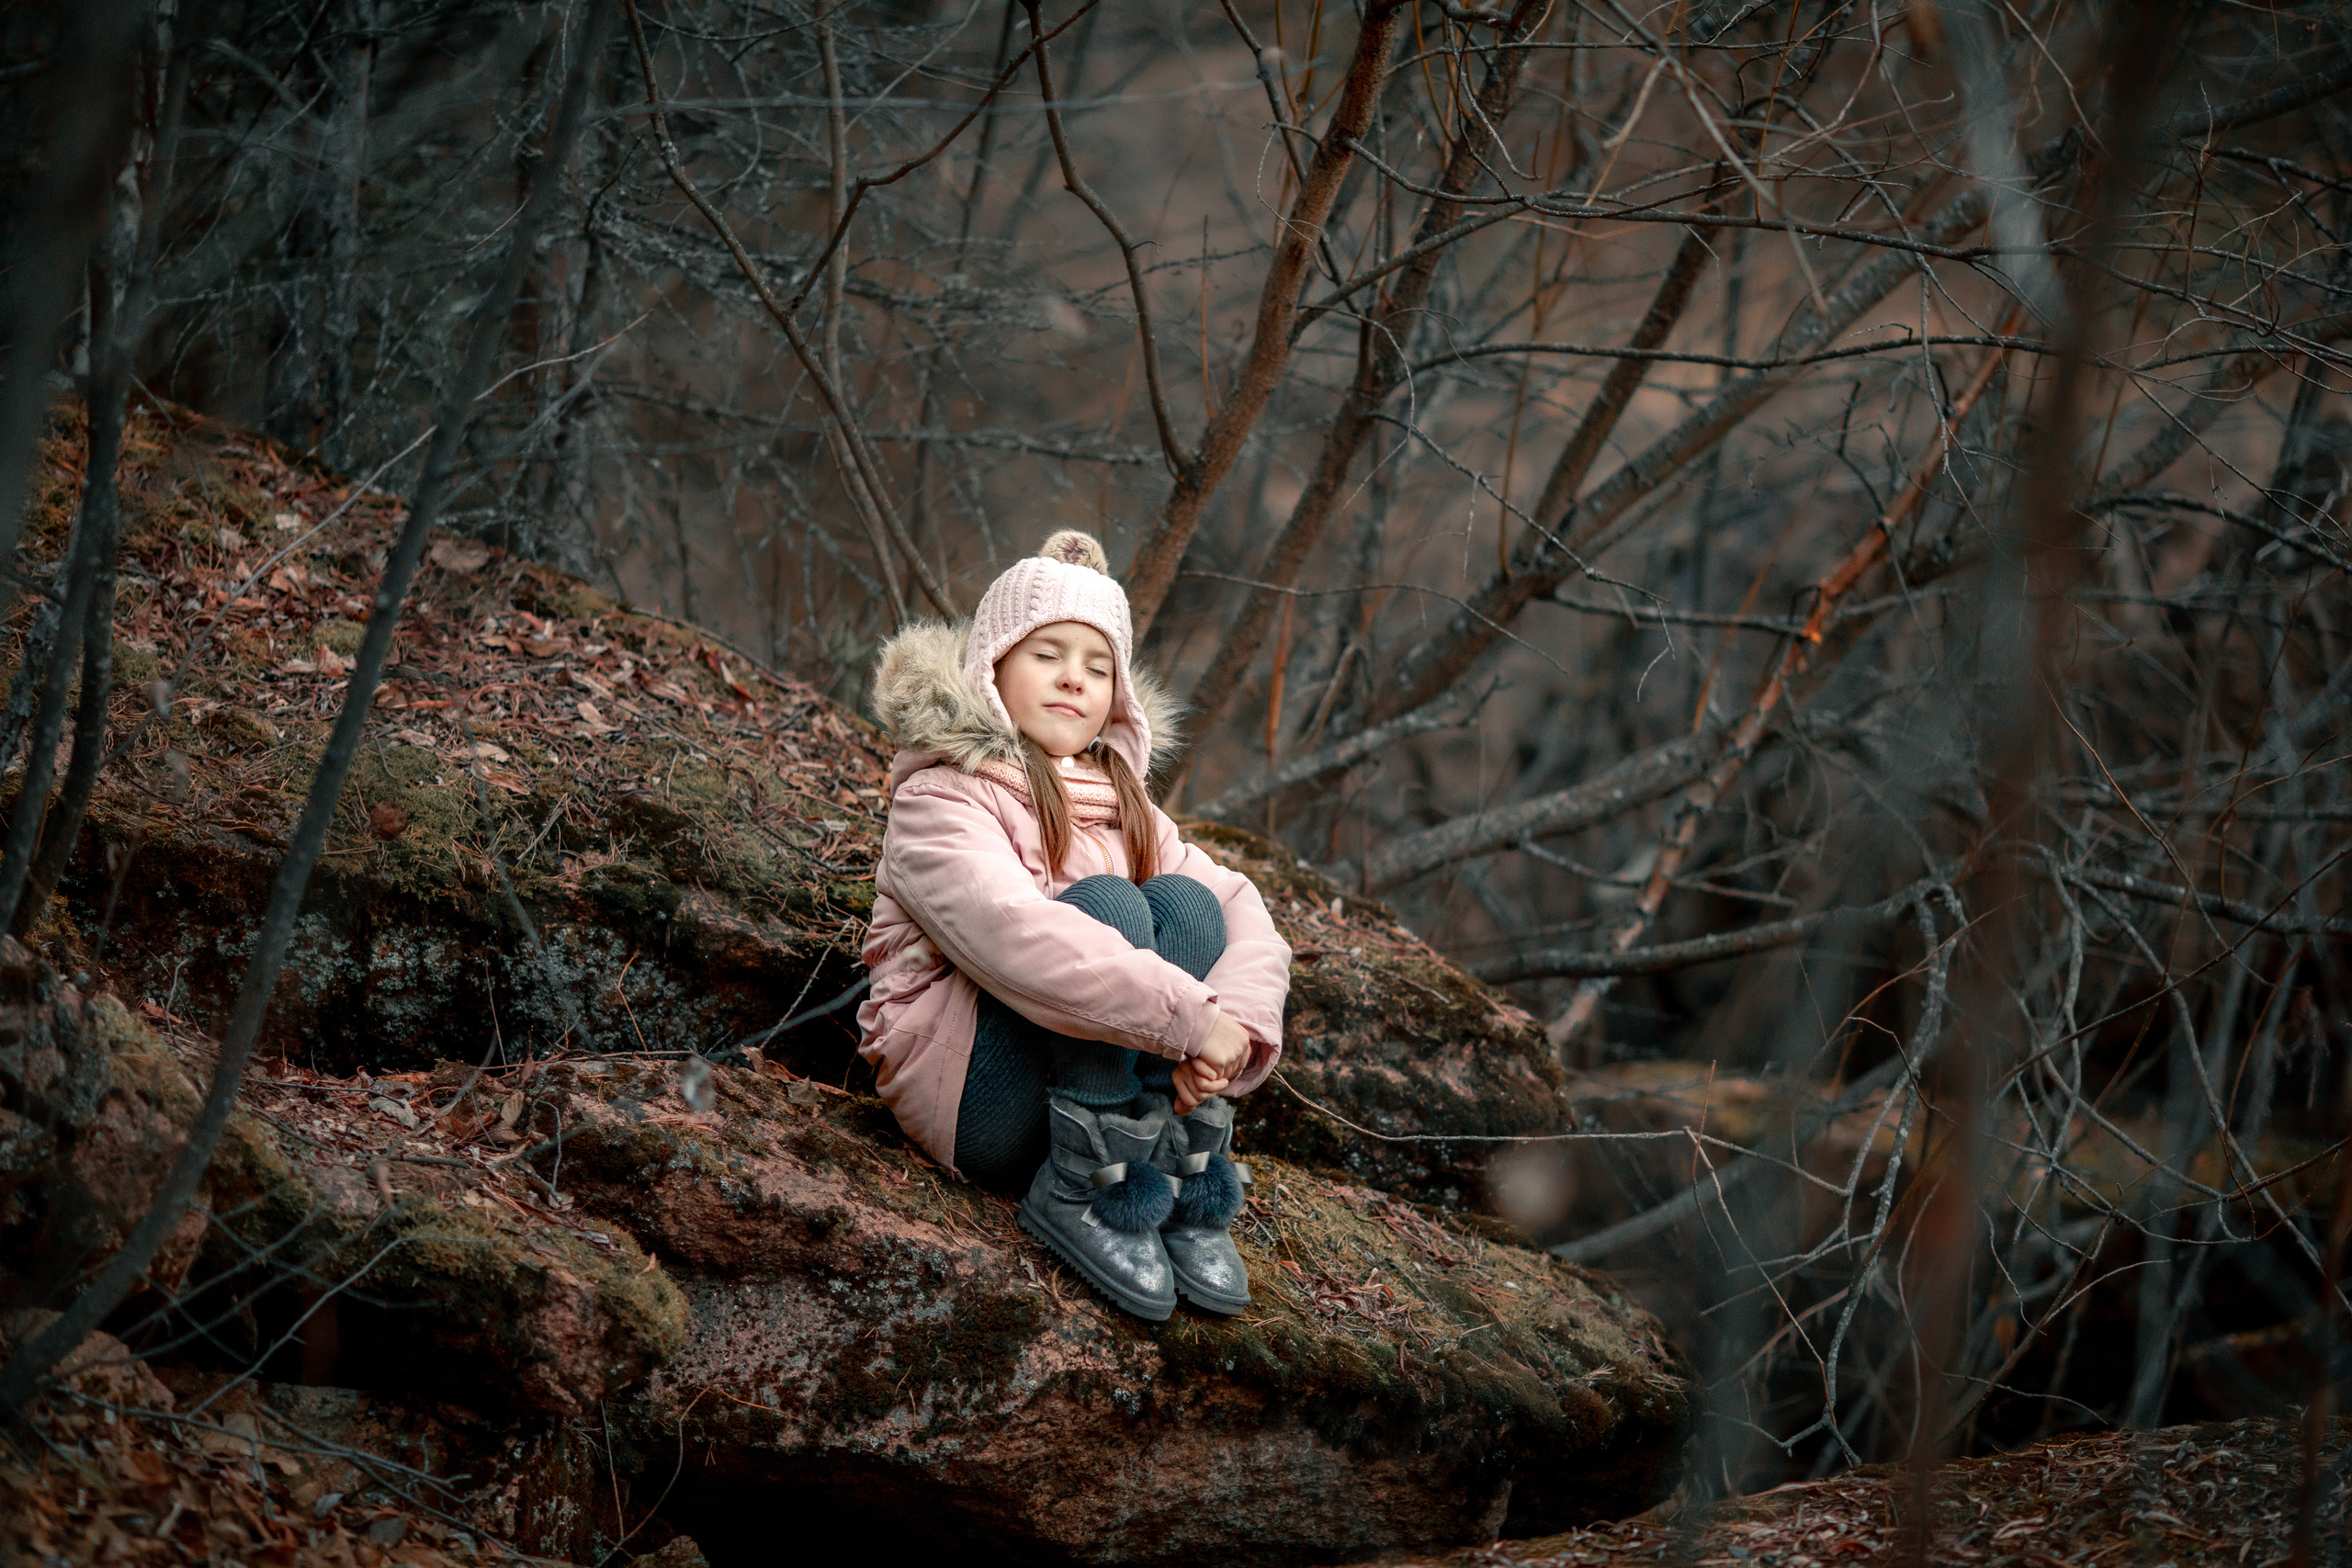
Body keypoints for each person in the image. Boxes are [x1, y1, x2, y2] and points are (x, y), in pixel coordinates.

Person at [856, 530, 1292, 1321]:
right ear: (993, 664)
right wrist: (1186, 1018)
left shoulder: (1124, 804)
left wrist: (1231, 1028)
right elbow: (1019, 939)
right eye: (1047, 654)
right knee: (1113, 908)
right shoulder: (941, 798)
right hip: (973, 1095)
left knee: (1190, 906)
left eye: (1098, 667)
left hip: (1105, 1091)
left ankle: (1179, 1174)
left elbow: (1243, 912)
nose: (1074, 679)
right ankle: (1081, 1193)